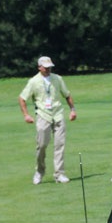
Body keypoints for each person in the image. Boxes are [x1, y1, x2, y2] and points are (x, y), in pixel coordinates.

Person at [18, 56, 77, 185]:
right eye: (45, 67)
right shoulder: (33, 81)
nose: (48, 69)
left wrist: (72, 110)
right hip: (43, 115)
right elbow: (22, 98)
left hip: (58, 114)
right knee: (42, 146)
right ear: (39, 67)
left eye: (49, 67)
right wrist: (26, 115)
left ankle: (59, 174)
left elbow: (67, 95)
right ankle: (39, 172)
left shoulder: (57, 79)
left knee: (59, 145)